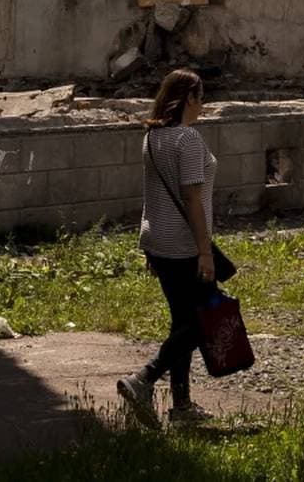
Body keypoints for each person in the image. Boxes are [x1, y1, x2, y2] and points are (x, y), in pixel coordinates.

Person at [116, 69, 218, 429]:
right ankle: (143, 378)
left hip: (156, 239)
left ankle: (182, 406)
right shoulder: (187, 139)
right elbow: (191, 198)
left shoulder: (152, 137)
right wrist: (205, 252)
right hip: (184, 244)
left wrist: (150, 248)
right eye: (201, 97)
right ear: (190, 97)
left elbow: (152, 194)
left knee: (182, 322)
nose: (204, 105)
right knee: (203, 322)